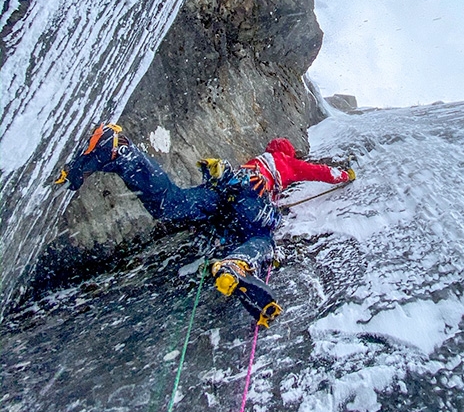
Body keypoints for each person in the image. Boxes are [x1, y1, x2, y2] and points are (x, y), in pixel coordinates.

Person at [56, 123, 355, 326]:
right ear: (286, 151)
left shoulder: (255, 159)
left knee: (170, 205)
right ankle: (236, 264)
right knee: (264, 236)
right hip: (250, 197)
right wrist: (344, 176)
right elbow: (319, 172)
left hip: (222, 193)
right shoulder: (285, 162)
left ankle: (119, 152)